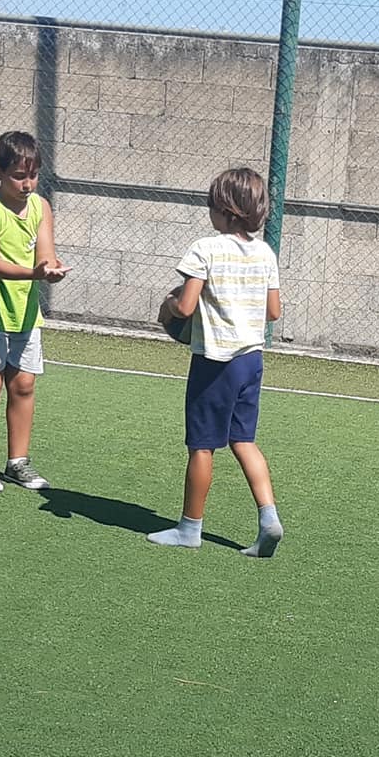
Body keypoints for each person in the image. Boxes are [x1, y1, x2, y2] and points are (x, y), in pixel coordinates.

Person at [149, 167, 283, 557]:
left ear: (224, 209)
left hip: (214, 363)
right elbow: (273, 312)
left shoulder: (205, 249)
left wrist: (168, 305)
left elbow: (185, 305)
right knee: (244, 441)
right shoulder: (265, 253)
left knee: (202, 446)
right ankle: (269, 517)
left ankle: (189, 529)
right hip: (251, 360)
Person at [0, 130, 70, 492]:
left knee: (23, 384)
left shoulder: (41, 207)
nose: (27, 184)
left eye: (33, 176)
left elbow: (46, 254)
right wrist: (34, 274)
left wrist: (51, 269)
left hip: (25, 312)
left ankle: (18, 462)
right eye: (19, 176)